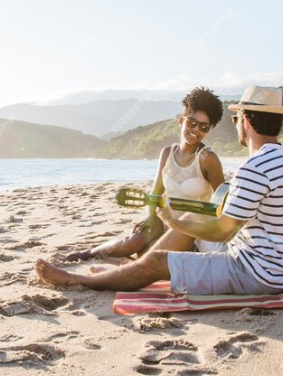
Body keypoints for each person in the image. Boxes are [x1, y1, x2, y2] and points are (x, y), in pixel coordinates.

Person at [36, 85, 283, 295]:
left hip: (255, 273)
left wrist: (171, 219)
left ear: (246, 121)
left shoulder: (254, 167)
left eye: (237, 118)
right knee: (184, 225)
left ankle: (76, 279)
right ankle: (127, 270)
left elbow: (224, 229)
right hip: (279, 265)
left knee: (155, 260)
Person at [63, 86, 225, 262]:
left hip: (189, 231)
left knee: (149, 260)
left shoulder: (208, 159)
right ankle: (89, 253)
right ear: (181, 120)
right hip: (164, 221)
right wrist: (149, 217)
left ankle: (138, 261)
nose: (196, 130)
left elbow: (224, 202)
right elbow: (155, 192)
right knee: (134, 241)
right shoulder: (167, 153)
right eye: (192, 122)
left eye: (204, 126)